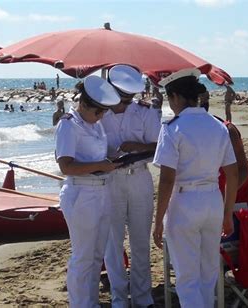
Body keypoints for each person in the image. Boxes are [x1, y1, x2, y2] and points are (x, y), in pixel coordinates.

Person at [152, 68, 238, 307]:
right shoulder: (217, 126)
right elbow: (232, 173)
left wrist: (158, 220)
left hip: (185, 202)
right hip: (213, 200)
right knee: (208, 271)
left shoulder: (172, 128)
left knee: (187, 276)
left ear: (176, 97)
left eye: (170, 98)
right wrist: (227, 212)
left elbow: (167, 179)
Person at [55, 75, 122, 308]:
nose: (101, 117)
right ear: (83, 104)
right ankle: (80, 304)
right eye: (98, 112)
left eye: (103, 112)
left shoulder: (95, 123)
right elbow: (66, 166)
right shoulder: (68, 124)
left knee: (96, 256)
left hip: (101, 191)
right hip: (81, 194)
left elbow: (95, 155)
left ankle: (90, 302)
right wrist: (100, 165)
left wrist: (110, 159)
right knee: (82, 256)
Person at [102, 64, 161, 308]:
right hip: (110, 180)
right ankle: (118, 299)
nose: (126, 103)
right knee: (112, 243)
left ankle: (142, 297)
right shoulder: (99, 114)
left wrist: (135, 147)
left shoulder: (145, 113)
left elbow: (159, 146)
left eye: (129, 98)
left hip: (139, 177)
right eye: (122, 98)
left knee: (140, 242)